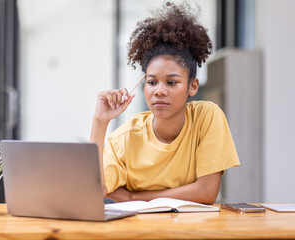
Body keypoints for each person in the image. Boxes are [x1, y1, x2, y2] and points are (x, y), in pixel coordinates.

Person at [90, 2, 240, 205]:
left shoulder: (207, 117)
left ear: (192, 87)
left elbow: (206, 192)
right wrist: (100, 122)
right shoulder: (125, 138)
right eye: (151, 82)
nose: (159, 90)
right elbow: (93, 191)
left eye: (171, 82)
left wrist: (134, 197)